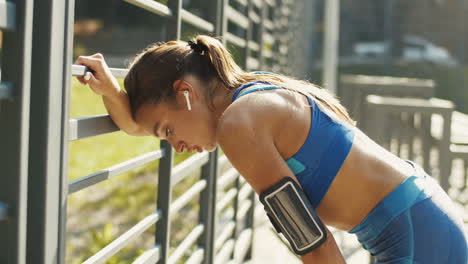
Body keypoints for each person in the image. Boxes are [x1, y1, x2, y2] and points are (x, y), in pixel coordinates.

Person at [76, 35, 467, 264]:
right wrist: (112, 91)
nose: (176, 147)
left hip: (416, 236)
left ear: (185, 93)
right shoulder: (256, 95)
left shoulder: (239, 125)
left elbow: (310, 239)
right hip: (420, 221)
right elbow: (138, 124)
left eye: (168, 131)